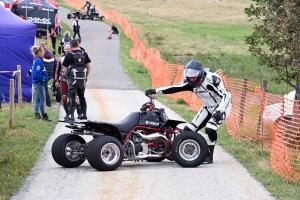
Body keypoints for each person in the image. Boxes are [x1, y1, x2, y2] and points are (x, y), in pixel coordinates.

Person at [145, 60, 232, 164]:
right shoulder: (189, 83)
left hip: (222, 106)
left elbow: (226, 96)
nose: (191, 78)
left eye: (194, 76)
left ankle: (209, 156)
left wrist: (220, 111)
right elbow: (174, 88)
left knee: (210, 128)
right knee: (188, 130)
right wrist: (154, 91)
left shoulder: (211, 80)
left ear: (200, 74)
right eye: (189, 75)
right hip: (208, 107)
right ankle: (176, 152)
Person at [62, 39, 91, 121]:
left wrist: (67, 78)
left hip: (72, 79)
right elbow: (89, 67)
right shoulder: (84, 54)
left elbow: (65, 69)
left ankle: (71, 115)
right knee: (81, 96)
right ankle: (84, 114)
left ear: (70, 46)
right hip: (82, 79)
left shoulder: (69, 55)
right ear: (78, 45)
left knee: (72, 96)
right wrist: (86, 76)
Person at [54, 44, 83, 120]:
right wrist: (56, 80)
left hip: (74, 81)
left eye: (69, 48)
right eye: (66, 49)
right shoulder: (61, 59)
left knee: (75, 98)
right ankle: (68, 113)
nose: (68, 50)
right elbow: (57, 70)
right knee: (64, 98)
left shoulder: (76, 58)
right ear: (64, 50)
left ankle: (79, 112)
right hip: (63, 80)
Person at [28, 42, 56, 107]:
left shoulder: (39, 56)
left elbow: (35, 67)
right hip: (51, 72)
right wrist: (54, 74)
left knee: (44, 88)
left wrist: (29, 72)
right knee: (45, 87)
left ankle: (47, 103)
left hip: (43, 73)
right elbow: (55, 64)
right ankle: (47, 102)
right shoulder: (52, 54)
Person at [30, 45, 52, 121]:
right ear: (39, 52)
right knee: (43, 99)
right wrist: (42, 79)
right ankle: (44, 115)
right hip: (39, 83)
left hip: (37, 83)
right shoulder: (38, 60)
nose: (44, 52)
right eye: (42, 51)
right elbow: (37, 72)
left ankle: (36, 114)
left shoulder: (37, 60)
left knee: (38, 99)